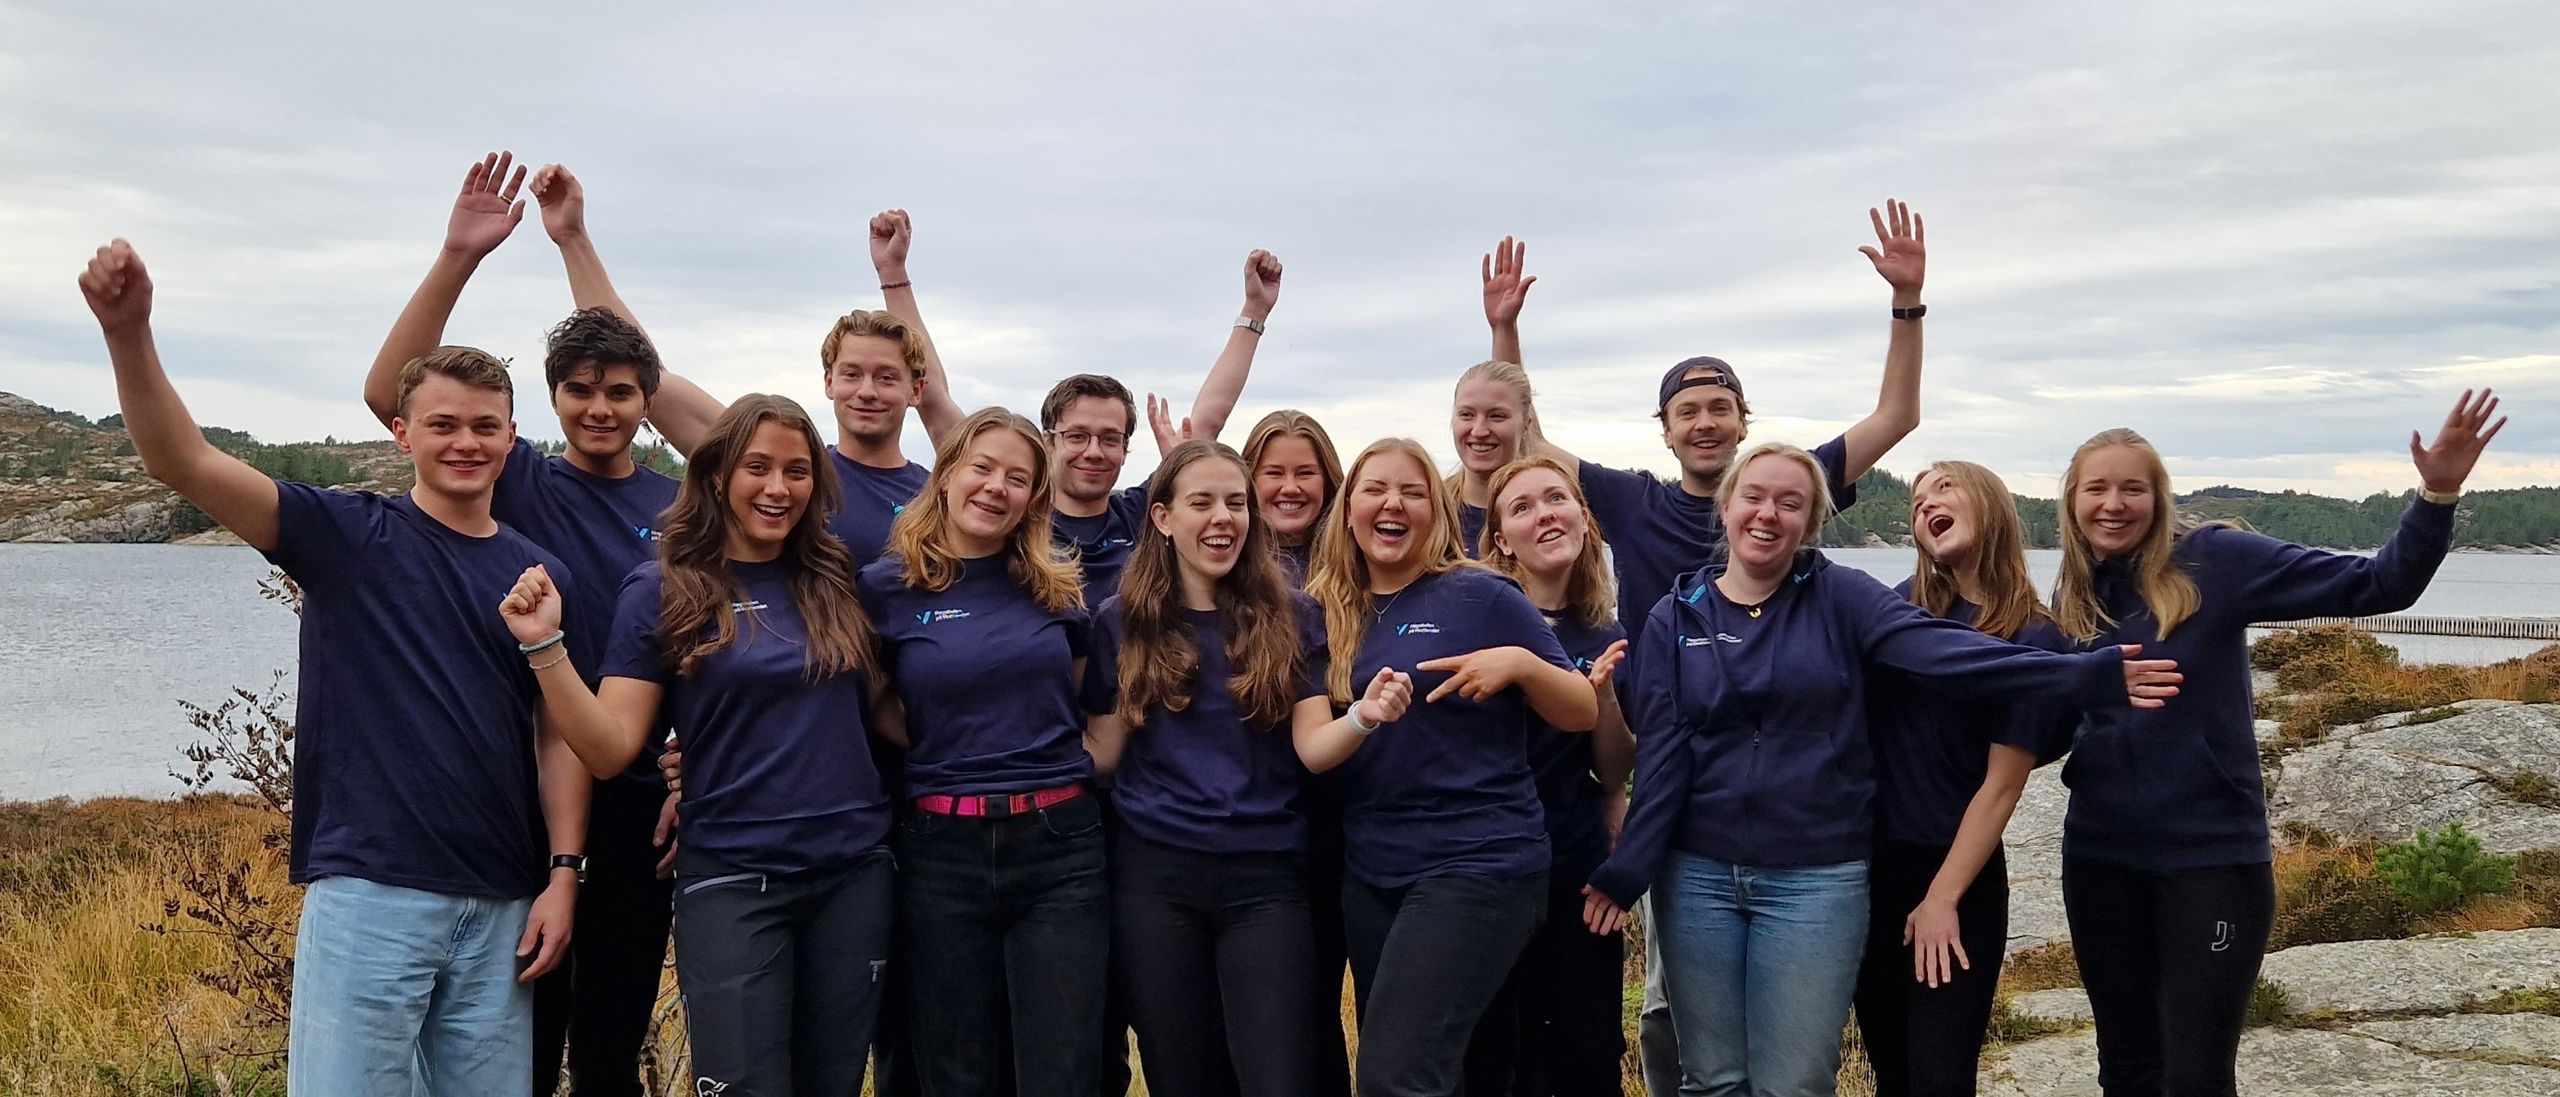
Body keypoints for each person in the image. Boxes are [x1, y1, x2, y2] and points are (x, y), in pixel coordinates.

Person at [81, 238, 586, 1094]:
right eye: (443, 424)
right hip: (371, 896)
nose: (465, 441)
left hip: (503, 901)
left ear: (511, 437)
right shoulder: (345, 534)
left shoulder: (542, 575)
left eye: (484, 426)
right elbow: (182, 460)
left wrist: (563, 873)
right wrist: (128, 334)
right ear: (402, 433)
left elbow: (556, 737)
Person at [1582, 442, 2181, 1097]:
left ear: (1812, 522)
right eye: (1753, 496)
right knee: (1714, 1078)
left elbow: (1950, 655)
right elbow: (1664, 754)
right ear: (1725, 507)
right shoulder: (1676, 614)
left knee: (1798, 1082)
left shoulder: (1845, 598)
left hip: (1820, 873)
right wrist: (1627, 868)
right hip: (1707, 872)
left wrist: (2087, 674)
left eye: (1790, 502)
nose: (1768, 513)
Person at [1489, 203, 1928, 1090]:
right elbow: (1527, 445)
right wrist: (1505, 329)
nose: (1704, 422)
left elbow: (1896, 416)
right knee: (1669, 1012)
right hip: (1667, 780)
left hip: (1780, 798)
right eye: (1686, 410)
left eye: (1719, 408)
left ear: (1742, 421)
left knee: (1771, 1041)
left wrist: (1907, 303)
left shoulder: (1783, 485)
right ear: (1664, 428)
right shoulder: (1634, 501)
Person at [2049, 397, 2502, 1097]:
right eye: (2097, 489)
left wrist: (2437, 495)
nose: (2113, 504)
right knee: (2127, 1069)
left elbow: (2380, 583)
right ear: (2073, 502)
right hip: (2099, 859)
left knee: (2196, 1077)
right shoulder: (2077, 593)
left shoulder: (2217, 560)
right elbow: (2045, 711)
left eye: (2132, 488)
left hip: (2211, 862)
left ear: (2159, 498)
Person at [356, 154, 684, 1096]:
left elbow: (706, 649)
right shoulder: (521, 476)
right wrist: (459, 255)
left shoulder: (680, 509)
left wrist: (694, 755)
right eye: (579, 389)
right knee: (521, 1044)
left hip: (637, 803)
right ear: (550, 401)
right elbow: (388, 393)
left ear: (646, 403)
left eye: (620, 392)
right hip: (525, 795)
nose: (599, 407)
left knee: (612, 1043)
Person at [497, 394, 897, 1097]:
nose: (778, 488)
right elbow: (610, 748)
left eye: (797, 470)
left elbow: (872, 712)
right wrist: (546, 647)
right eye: (757, 467)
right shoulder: (663, 587)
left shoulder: (838, 579)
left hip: (853, 871)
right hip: (734, 877)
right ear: (716, 474)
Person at [1301, 438, 1602, 1097]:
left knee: (1395, 1075)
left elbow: (1581, 709)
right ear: (1348, 508)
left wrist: (1520, 665)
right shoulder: (1322, 608)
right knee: (1458, 1070)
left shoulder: (1481, 595)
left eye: (1412, 491)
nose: (1393, 504)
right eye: (1375, 489)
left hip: (1479, 862)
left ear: (1436, 510)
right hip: (1373, 870)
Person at [1079, 439, 1337, 1097]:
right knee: (1182, 1076)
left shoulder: (1294, 614)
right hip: (1156, 879)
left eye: (1235, 502)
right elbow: (1103, 753)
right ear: (1163, 518)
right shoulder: (1122, 621)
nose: (1223, 517)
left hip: (1267, 876)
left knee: (1280, 1077)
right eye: (1202, 502)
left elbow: (1315, 740)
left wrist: (1368, 716)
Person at [860, 407, 1103, 1096]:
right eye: (983, 468)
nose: (997, 487)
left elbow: (1079, 698)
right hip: (941, 849)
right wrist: (950, 743)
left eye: (1017, 478)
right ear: (947, 474)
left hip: (1059, 846)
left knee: (1063, 1069)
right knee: (956, 1068)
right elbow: (876, 701)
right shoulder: (885, 586)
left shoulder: (1057, 587)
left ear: (1033, 498)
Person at [1852, 461, 2077, 1097]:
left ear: (1990, 504)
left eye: (1944, 489)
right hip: (1870, 872)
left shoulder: (2035, 635)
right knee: (1892, 1072)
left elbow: (2002, 786)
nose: (1926, 505)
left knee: (1941, 1077)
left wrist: (1941, 899)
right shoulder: (1902, 610)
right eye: (1917, 502)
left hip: (1957, 875)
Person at [1471, 456, 1634, 1097]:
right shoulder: (1474, 619)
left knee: (1586, 1053)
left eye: (1557, 499)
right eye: (1523, 507)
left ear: (1584, 519)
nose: (1545, 515)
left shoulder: (1604, 629)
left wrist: (1604, 699)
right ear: (1502, 541)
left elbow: (1613, 769)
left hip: (1573, 867)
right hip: (1487, 868)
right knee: (1498, 1055)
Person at [1041, 250, 1283, 602]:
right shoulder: (1020, 523)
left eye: (1110, 439)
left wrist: (1255, 310)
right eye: (1077, 437)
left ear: (1125, 449)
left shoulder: (1139, 514)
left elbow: (1208, 422)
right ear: (1048, 442)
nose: (1093, 452)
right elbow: (962, 434)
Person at [1238, 408, 1346, 586]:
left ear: (1327, 480)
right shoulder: (1228, 566)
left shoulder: (1355, 566)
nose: (1290, 488)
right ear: (1249, 480)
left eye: (1305, 473)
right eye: (1274, 473)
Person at [1448, 360, 1535, 554]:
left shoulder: (1548, 517)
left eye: (1496, 416)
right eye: (1467, 415)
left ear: (1526, 425)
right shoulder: (1430, 515)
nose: (1479, 431)